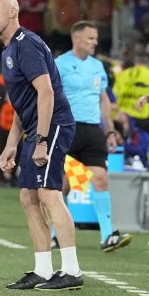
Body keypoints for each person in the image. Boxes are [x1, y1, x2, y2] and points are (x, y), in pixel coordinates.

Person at [0, 0, 83, 291]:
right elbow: (21, 102)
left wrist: (41, 140)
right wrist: (11, 143)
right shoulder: (8, 50)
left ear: (12, 11)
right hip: (34, 129)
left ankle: (72, 270)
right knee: (28, 197)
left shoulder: (26, 44)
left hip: (52, 125)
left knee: (49, 194)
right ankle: (42, 270)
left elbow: (46, 92)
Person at [54, 21, 131, 251]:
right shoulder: (60, 64)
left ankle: (108, 236)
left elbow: (103, 99)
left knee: (100, 178)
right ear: (76, 38)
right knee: (63, 185)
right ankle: (55, 235)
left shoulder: (98, 66)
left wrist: (109, 130)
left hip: (92, 131)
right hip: (67, 129)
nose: (95, 42)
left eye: (95, 38)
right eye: (90, 38)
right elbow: (49, 95)